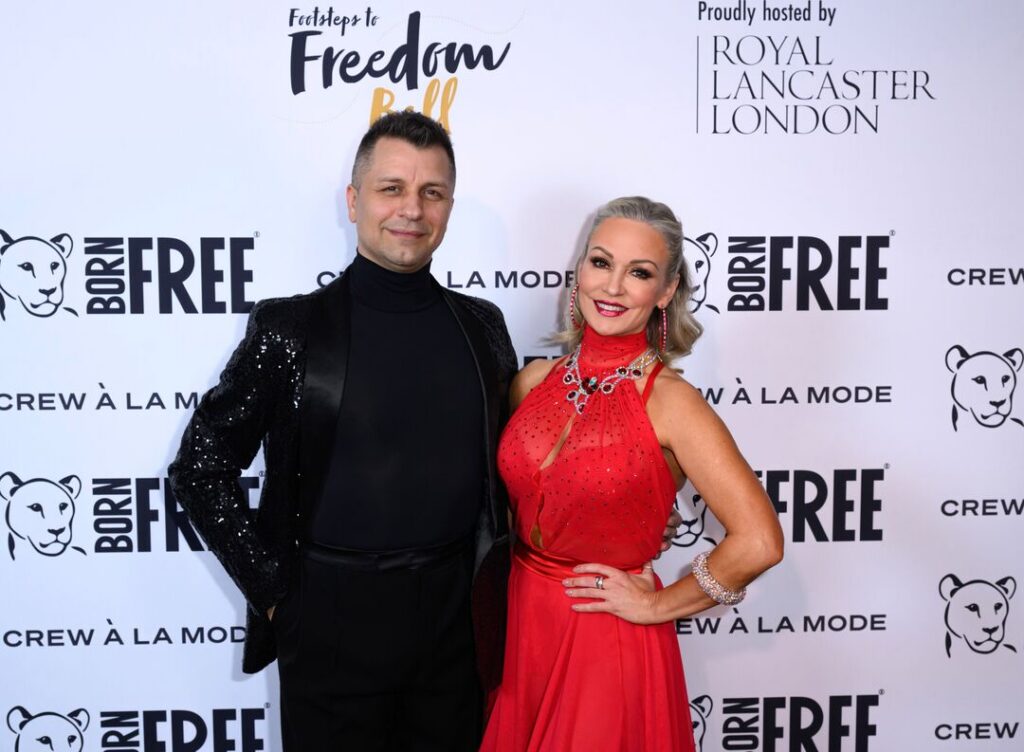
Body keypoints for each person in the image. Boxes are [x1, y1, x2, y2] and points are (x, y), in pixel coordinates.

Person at [168, 111, 518, 751]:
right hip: (328, 619)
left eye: (432, 192)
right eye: (391, 188)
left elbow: (517, 468)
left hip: (456, 623)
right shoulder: (290, 330)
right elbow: (200, 466)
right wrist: (276, 595)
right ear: (354, 201)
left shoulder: (482, 326)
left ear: (448, 207)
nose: (411, 209)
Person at [480, 197, 785, 751]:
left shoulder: (673, 403)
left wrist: (656, 604)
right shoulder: (533, 381)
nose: (613, 286)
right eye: (601, 262)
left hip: (604, 634)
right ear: (579, 269)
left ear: (666, 291)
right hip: (520, 623)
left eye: (639, 273)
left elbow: (759, 542)